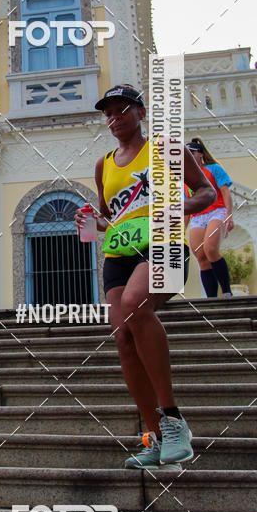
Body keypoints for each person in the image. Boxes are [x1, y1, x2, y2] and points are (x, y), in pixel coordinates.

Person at [75, 85, 216, 469]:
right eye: (108, 114)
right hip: (119, 253)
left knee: (136, 304)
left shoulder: (168, 148)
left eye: (122, 110)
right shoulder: (104, 164)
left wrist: (174, 208)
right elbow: (110, 217)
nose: (114, 118)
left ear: (140, 112)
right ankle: (154, 437)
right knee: (122, 337)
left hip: (163, 245)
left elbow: (206, 193)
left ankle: (174, 421)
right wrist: (91, 222)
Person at [185, 137, 234, 298]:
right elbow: (187, 205)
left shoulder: (213, 168)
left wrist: (228, 214)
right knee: (200, 256)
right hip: (198, 216)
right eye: (187, 153)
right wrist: (180, 230)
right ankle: (211, 298)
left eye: (192, 152)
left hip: (216, 211)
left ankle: (226, 291)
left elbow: (225, 192)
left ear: (200, 154)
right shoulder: (185, 178)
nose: (189, 156)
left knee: (211, 249)